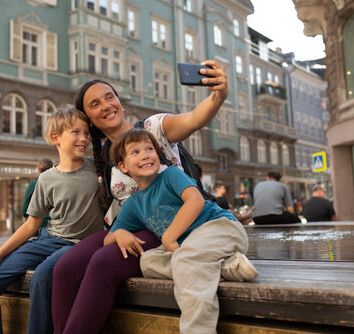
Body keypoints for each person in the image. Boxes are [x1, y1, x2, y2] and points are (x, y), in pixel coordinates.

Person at [52, 60, 228, 334]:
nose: (106, 105)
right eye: (95, 103)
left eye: (110, 97)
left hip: (167, 223)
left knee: (103, 262)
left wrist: (218, 95)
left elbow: (194, 118)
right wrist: (117, 232)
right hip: (129, 223)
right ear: (89, 117)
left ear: (120, 101)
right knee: (64, 269)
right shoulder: (106, 153)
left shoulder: (153, 127)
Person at [105, 129, 258, 332]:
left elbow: (195, 200)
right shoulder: (134, 204)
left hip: (220, 227)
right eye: (135, 152)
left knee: (185, 260)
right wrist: (120, 233)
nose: (145, 155)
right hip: (191, 249)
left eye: (150, 149)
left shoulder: (170, 175)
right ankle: (225, 267)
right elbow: (107, 240)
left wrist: (169, 235)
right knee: (148, 262)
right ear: (122, 166)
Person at [0, 107, 104, 334]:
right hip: (47, 239)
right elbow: (32, 224)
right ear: (56, 138)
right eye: (75, 132)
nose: (84, 139)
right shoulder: (46, 178)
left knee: (43, 276)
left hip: (80, 245)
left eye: (86, 134)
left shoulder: (97, 169)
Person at [21, 158, 54, 228]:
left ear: (38, 169)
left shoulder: (33, 185)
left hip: (36, 224)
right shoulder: (56, 184)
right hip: (53, 224)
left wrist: (27, 217)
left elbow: (24, 208)